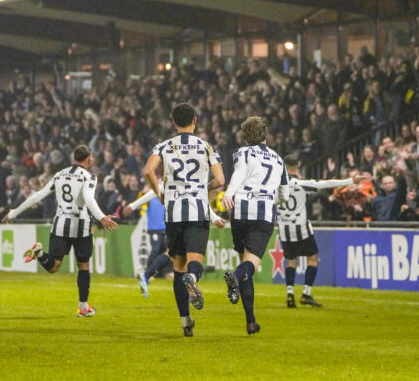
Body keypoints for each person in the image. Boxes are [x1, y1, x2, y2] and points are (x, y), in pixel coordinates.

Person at [3, 144, 118, 316]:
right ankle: (83, 307)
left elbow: (37, 196)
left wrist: (14, 213)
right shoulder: (89, 177)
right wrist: (102, 217)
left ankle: (40, 254)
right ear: (89, 159)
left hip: (60, 223)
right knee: (84, 266)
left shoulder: (59, 175)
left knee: (54, 266)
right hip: (81, 225)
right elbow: (88, 198)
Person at [143, 102, 225, 337]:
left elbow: (149, 171)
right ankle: (194, 278)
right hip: (198, 211)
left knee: (177, 266)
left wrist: (159, 194)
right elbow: (220, 180)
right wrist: (203, 188)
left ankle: (185, 321)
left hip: (174, 212)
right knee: (194, 261)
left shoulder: (163, 146)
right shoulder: (206, 146)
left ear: (173, 122)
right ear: (195, 120)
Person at [221, 116, 288, 335]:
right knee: (250, 265)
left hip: (240, 210)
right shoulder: (279, 160)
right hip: (263, 215)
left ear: (245, 135)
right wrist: (270, 197)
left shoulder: (242, 153)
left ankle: (251, 322)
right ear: (265, 134)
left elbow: (239, 173)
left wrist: (229, 194)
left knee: (244, 262)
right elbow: (284, 195)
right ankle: (235, 277)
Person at [276, 154, 354, 308]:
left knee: (291, 260)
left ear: (284, 166)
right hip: (301, 227)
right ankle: (306, 293)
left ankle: (290, 294)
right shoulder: (300, 183)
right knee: (312, 257)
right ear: (298, 164)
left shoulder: (275, 184)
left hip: (284, 228)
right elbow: (325, 184)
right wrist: (350, 180)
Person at [123, 183, 226, 299]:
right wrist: (215, 217)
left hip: (175, 220)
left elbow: (155, 189)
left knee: (172, 254)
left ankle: (147, 275)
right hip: (191, 222)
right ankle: (191, 292)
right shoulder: (189, 176)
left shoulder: (173, 173)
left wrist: (133, 205)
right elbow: (209, 190)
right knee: (191, 258)